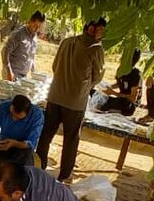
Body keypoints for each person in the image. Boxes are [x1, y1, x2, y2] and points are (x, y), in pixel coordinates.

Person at [36, 18, 106, 183]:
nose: (102, 34)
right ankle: (64, 175)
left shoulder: (66, 42)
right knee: (71, 139)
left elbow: (55, 66)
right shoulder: (96, 49)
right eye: (101, 30)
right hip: (75, 101)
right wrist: (81, 84)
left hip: (55, 95)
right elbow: (97, 77)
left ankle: (39, 165)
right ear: (91, 29)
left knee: (46, 134)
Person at [0, 95, 43, 167]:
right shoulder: (3, 107)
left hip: (21, 146)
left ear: (27, 113)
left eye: (18, 118)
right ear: (11, 105)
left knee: (24, 158)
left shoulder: (37, 116)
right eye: (12, 114)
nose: (14, 119)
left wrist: (14, 143)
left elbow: (31, 142)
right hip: (3, 141)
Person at [1, 11, 45, 81]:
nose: (37, 29)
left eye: (39, 27)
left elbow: (31, 58)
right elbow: (5, 52)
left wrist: (35, 74)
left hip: (23, 77)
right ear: (29, 21)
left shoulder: (35, 39)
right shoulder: (18, 35)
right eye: (35, 26)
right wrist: (9, 72)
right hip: (12, 74)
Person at [97, 49, 142, 116]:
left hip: (128, 104)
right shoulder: (121, 70)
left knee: (105, 106)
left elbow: (133, 98)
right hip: (120, 99)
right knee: (96, 96)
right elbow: (120, 83)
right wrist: (109, 86)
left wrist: (113, 93)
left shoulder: (136, 74)